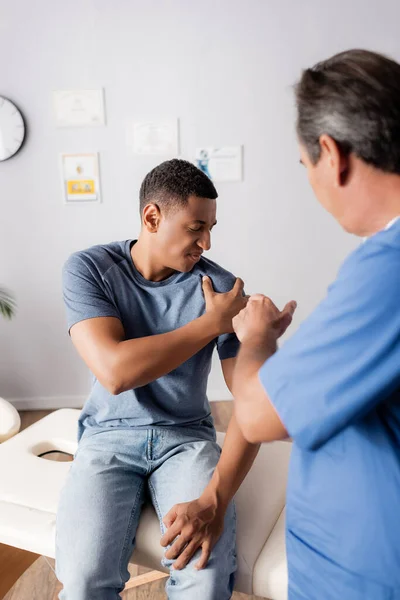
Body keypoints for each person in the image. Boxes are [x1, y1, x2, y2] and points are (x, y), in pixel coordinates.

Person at [232, 49, 400, 600]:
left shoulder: (387, 270)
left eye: (305, 167)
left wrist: (254, 340)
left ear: (332, 154)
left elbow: (258, 414)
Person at [56, 158, 259, 600]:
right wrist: (209, 325)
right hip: (108, 437)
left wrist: (216, 501)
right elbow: (114, 372)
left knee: (204, 575)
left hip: (185, 439)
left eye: (212, 228)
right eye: (195, 227)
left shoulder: (220, 290)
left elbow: (253, 402)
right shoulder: (89, 269)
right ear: (152, 217)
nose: (206, 242)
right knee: (84, 580)